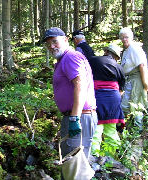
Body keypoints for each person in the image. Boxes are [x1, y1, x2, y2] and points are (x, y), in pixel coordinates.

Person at [43, 27, 97, 159]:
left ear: (66, 40)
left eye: (55, 42)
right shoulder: (64, 59)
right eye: (48, 44)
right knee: (74, 161)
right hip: (76, 116)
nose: (52, 46)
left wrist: (74, 118)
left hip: (79, 117)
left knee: (74, 162)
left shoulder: (71, 57)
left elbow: (80, 85)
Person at [88, 44, 125, 155]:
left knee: (97, 129)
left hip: (97, 97)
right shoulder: (119, 67)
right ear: (117, 57)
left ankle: (94, 156)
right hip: (113, 98)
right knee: (111, 129)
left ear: (105, 51)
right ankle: (111, 157)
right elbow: (121, 89)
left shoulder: (93, 60)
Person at [119, 27, 148, 130]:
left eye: (126, 37)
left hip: (136, 80)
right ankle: (129, 129)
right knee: (126, 105)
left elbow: (141, 66)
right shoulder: (126, 51)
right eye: (122, 37)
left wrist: (145, 83)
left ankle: (137, 131)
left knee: (136, 104)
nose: (124, 39)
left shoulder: (134, 48)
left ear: (131, 37)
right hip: (129, 80)